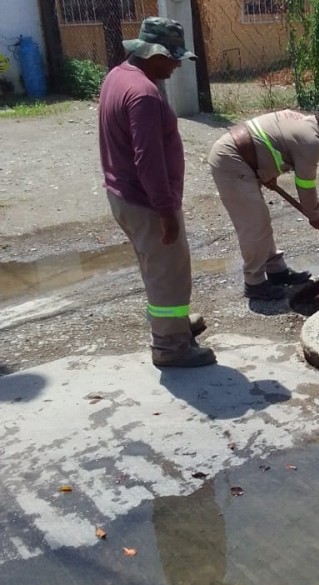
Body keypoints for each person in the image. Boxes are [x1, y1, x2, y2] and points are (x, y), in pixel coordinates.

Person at [98, 17, 216, 368]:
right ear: (156, 53)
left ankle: (174, 327)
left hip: (124, 195)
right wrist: (166, 211)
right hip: (146, 202)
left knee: (156, 269)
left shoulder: (118, 76)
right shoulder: (144, 95)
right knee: (168, 273)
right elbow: (147, 159)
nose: (178, 64)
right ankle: (170, 347)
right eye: (174, 57)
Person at [207, 108, 319, 301]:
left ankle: (276, 271)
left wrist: (267, 171)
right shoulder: (311, 141)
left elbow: (273, 142)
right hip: (232, 160)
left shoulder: (301, 121)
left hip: (245, 160)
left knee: (261, 221)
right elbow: (306, 186)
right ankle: (254, 283)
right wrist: (314, 215)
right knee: (254, 224)